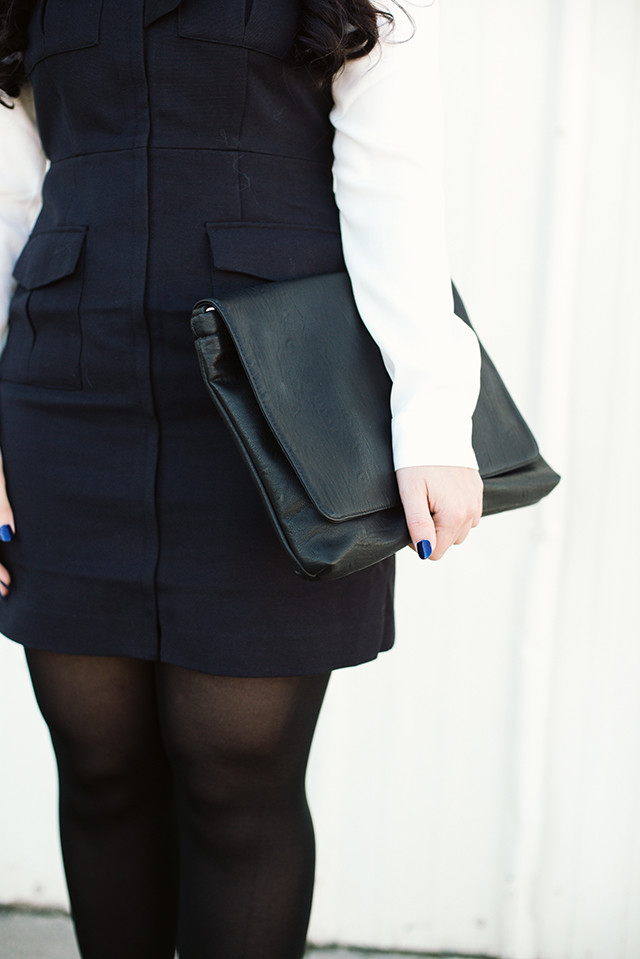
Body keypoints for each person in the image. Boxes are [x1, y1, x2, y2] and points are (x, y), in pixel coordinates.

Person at [0, 1, 483, 957]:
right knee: (100, 768)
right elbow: (9, 205)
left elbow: (395, 197)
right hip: (67, 399)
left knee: (239, 774)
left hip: (273, 407)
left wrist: (433, 413)